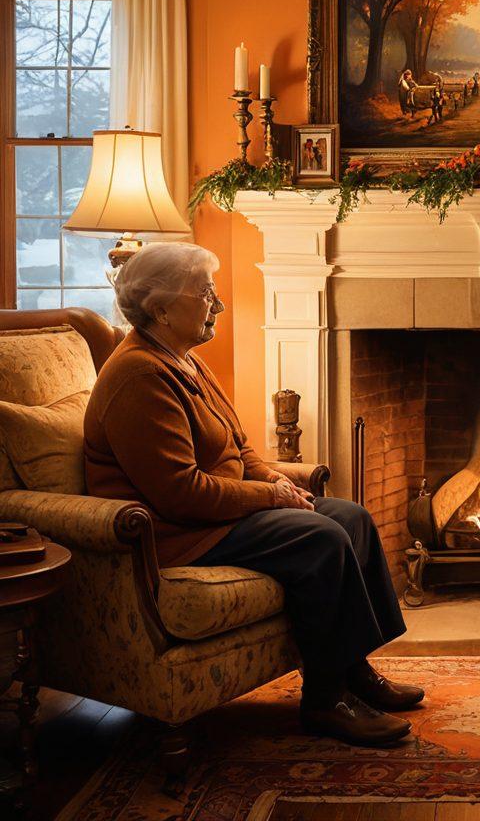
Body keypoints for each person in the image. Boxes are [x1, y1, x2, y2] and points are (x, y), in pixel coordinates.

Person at [84, 243, 422, 748]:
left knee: (351, 517)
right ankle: (326, 700)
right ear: (160, 309)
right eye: (204, 294)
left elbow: (240, 446)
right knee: (321, 539)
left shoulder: (184, 359)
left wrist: (276, 482)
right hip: (181, 532)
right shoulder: (139, 376)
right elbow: (180, 494)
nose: (216, 304)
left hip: (221, 512)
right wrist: (268, 499)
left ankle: (354, 670)